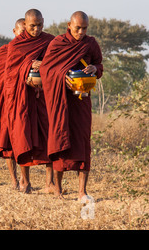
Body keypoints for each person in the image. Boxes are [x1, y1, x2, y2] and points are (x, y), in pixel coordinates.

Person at [40, 11, 103, 200]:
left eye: (85, 28)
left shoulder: (90, 44)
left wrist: (94, 68)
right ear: (69, 25)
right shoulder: (58, 43)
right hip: (61, 102)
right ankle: (57, 188)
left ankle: (82, 190)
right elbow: (46, 69)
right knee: (61, 140)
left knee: (83, 143)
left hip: (82, 100)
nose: (81, 32)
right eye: (78, 28)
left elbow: (99, 65)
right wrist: (63, 77)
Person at [4, 9, 55, 193]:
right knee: (22, 136)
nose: (36, 29)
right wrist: (28, 65)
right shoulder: (16, 45)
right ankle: (25, 181)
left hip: (44, 98)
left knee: (50, 136)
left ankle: (50, 183)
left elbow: (57, 64)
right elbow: (10, 74)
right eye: (32, 25)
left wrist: (45, 64)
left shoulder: (50, 41)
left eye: (39, 25)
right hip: (23, 98)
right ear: (25, 25)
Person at [0, 18, 25, 189]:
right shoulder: (4, 51)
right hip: (8, 101)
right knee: (9, 143)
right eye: (21, 30)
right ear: (14, 31)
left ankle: (25, 179)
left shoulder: (37, 50)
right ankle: (13, 179)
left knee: (26, 140)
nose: (24, 34)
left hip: (28, 103)